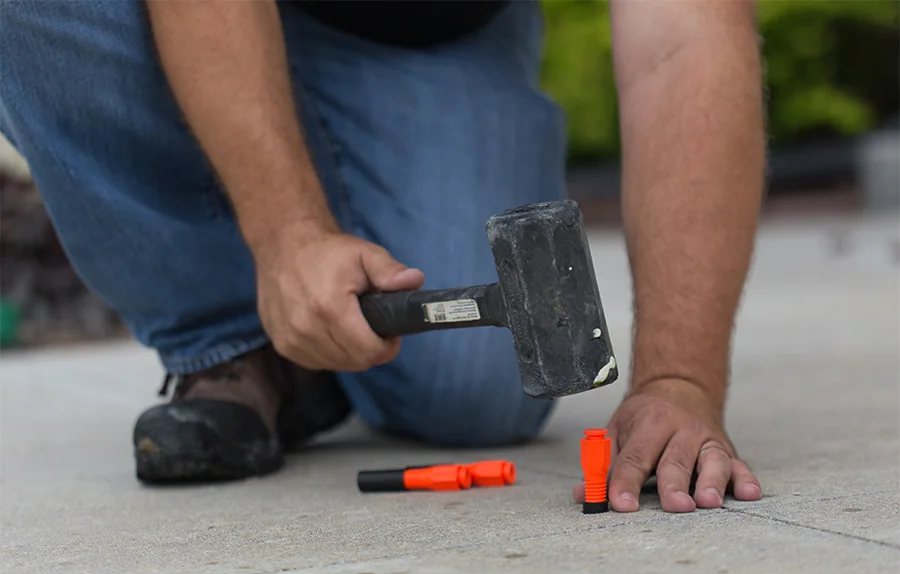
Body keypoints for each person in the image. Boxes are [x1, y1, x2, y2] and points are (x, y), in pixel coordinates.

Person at [0, 0, 764, 513]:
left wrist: (680, 377)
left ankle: (319, 332)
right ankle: (235, 343)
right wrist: (285, 234)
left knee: (472, 394)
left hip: (422, 33)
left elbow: (684, 36)